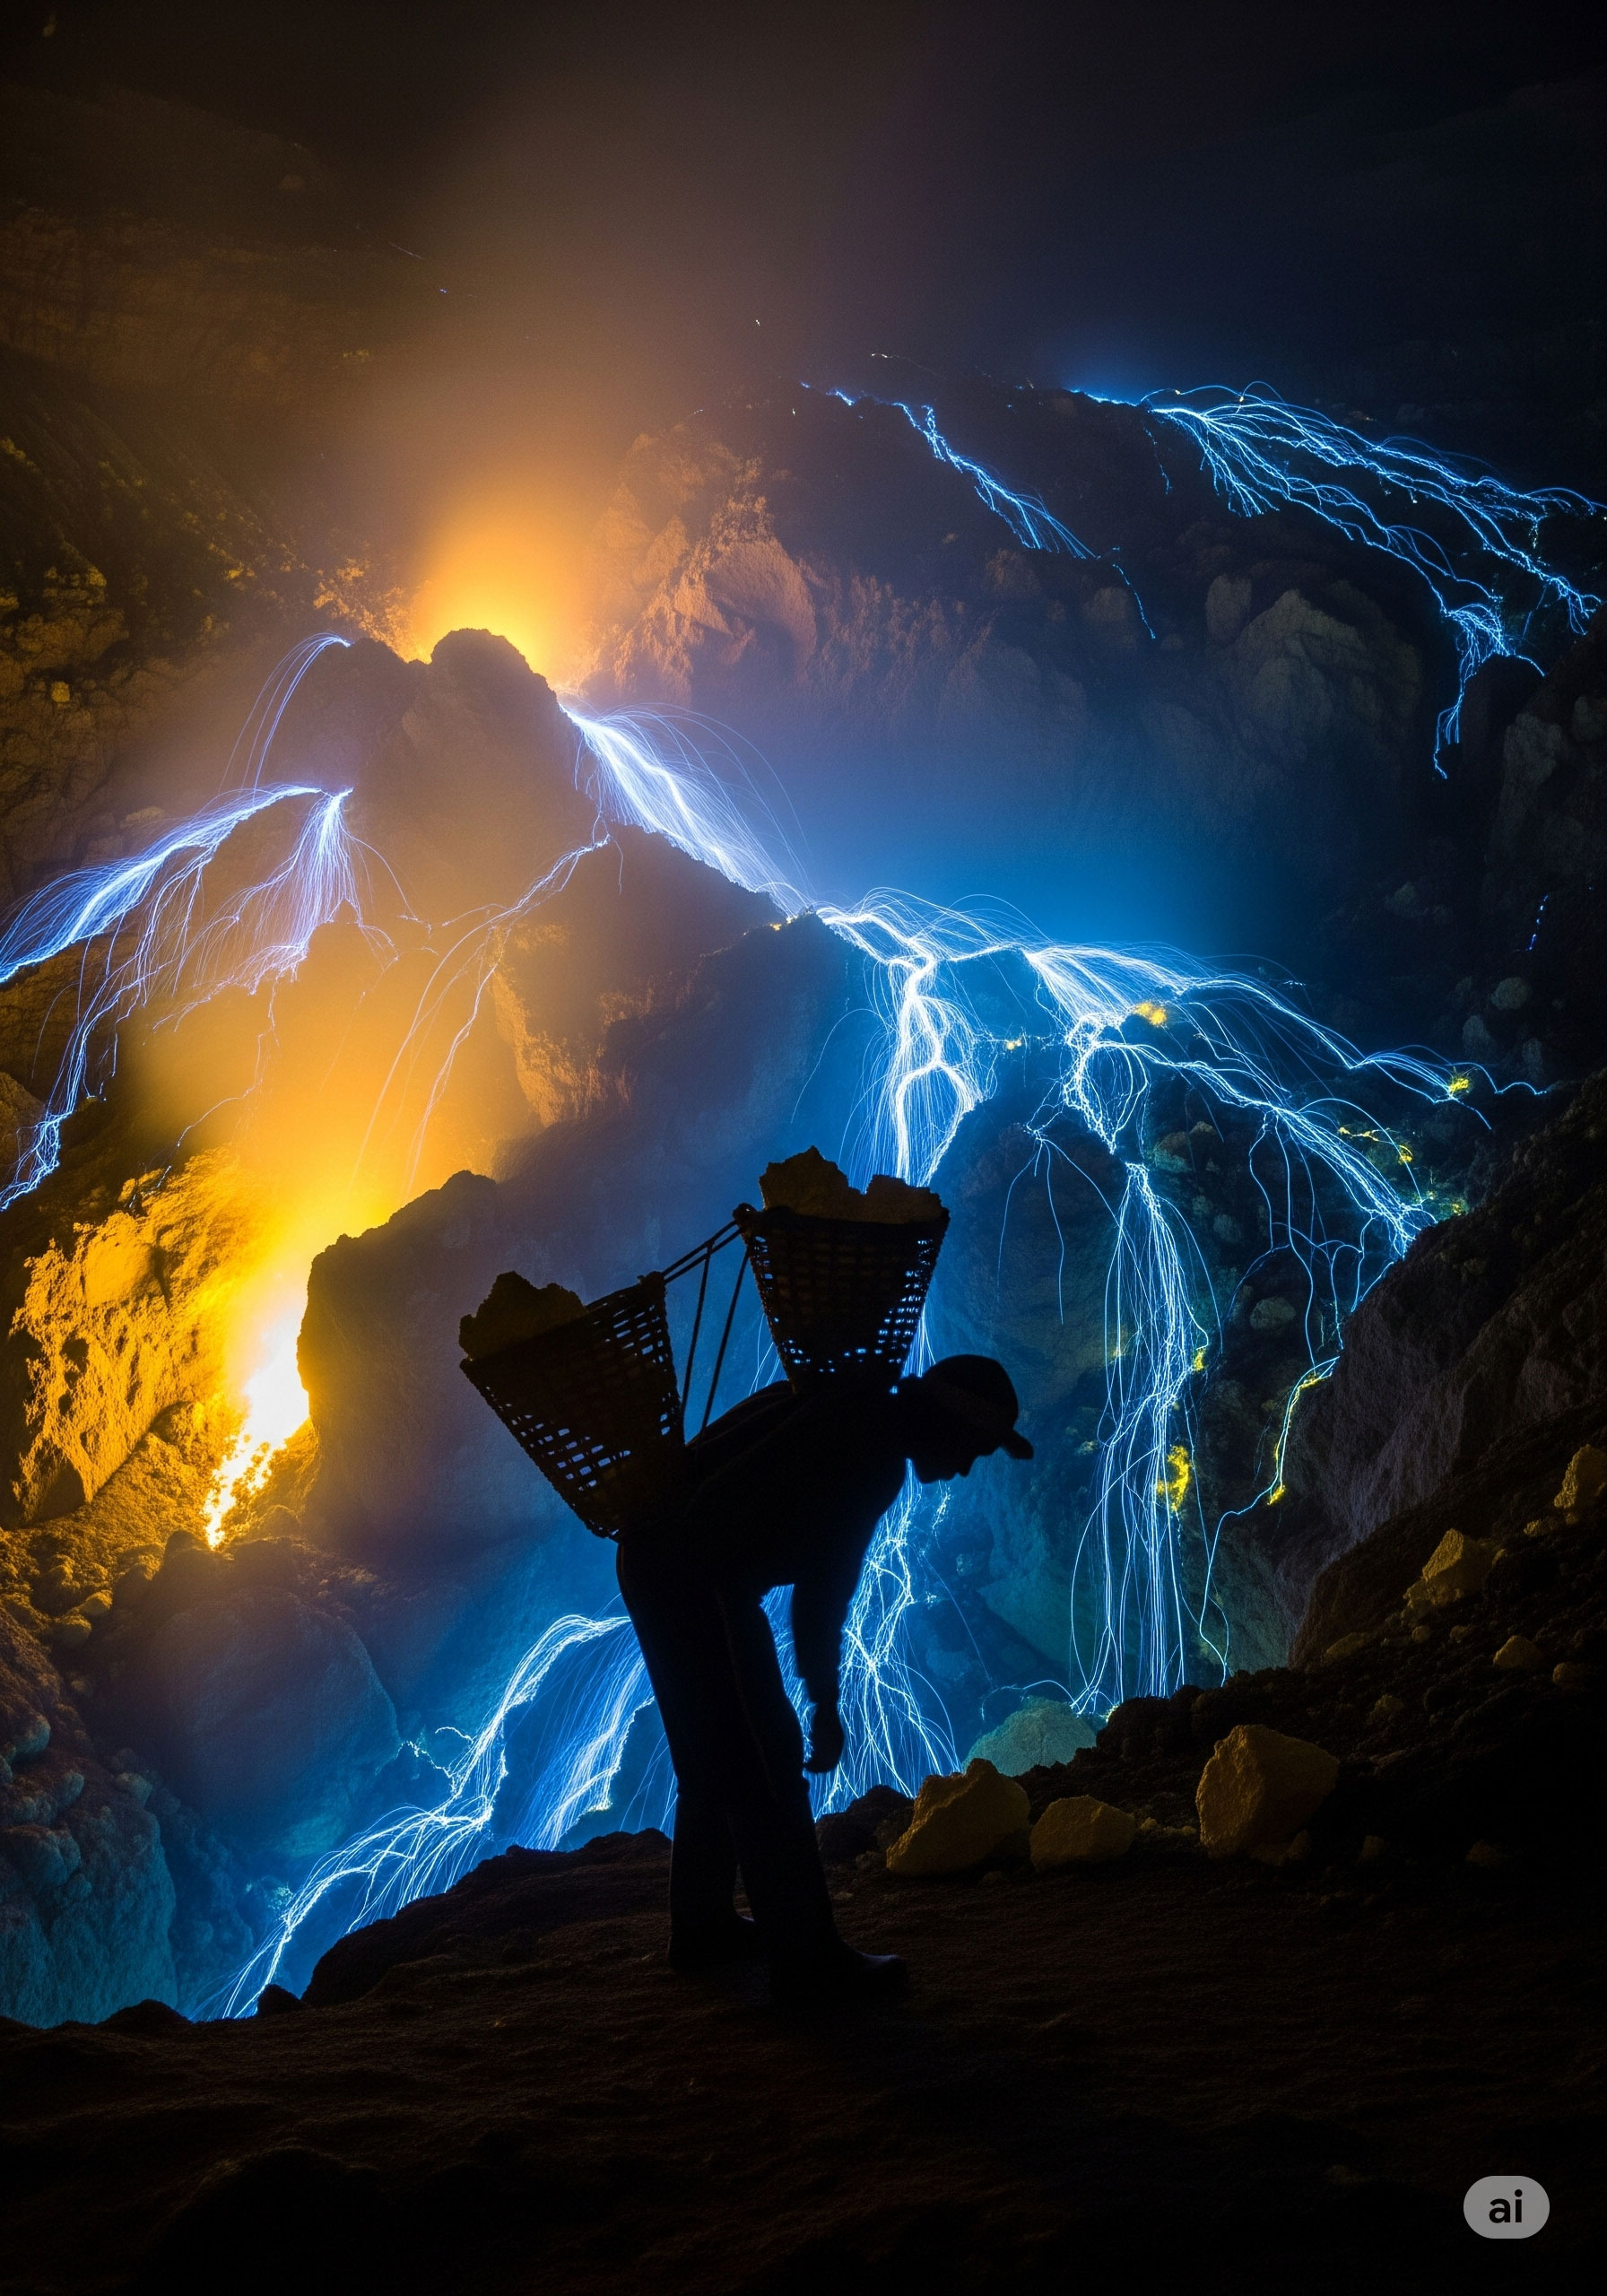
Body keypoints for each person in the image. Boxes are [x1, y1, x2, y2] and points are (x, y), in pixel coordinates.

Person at [614, 1355, 1033, 2003]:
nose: (965, 1467)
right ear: (946, 1422)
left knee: (713, 1759)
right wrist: (824, 1701)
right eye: (973, 1448)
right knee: (766, 1761)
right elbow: (823, 1591)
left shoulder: (842, 1405)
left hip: (656, 1563)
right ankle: (807, 1961)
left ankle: (703, 1929)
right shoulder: (869, 1450)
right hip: (698, 1581)